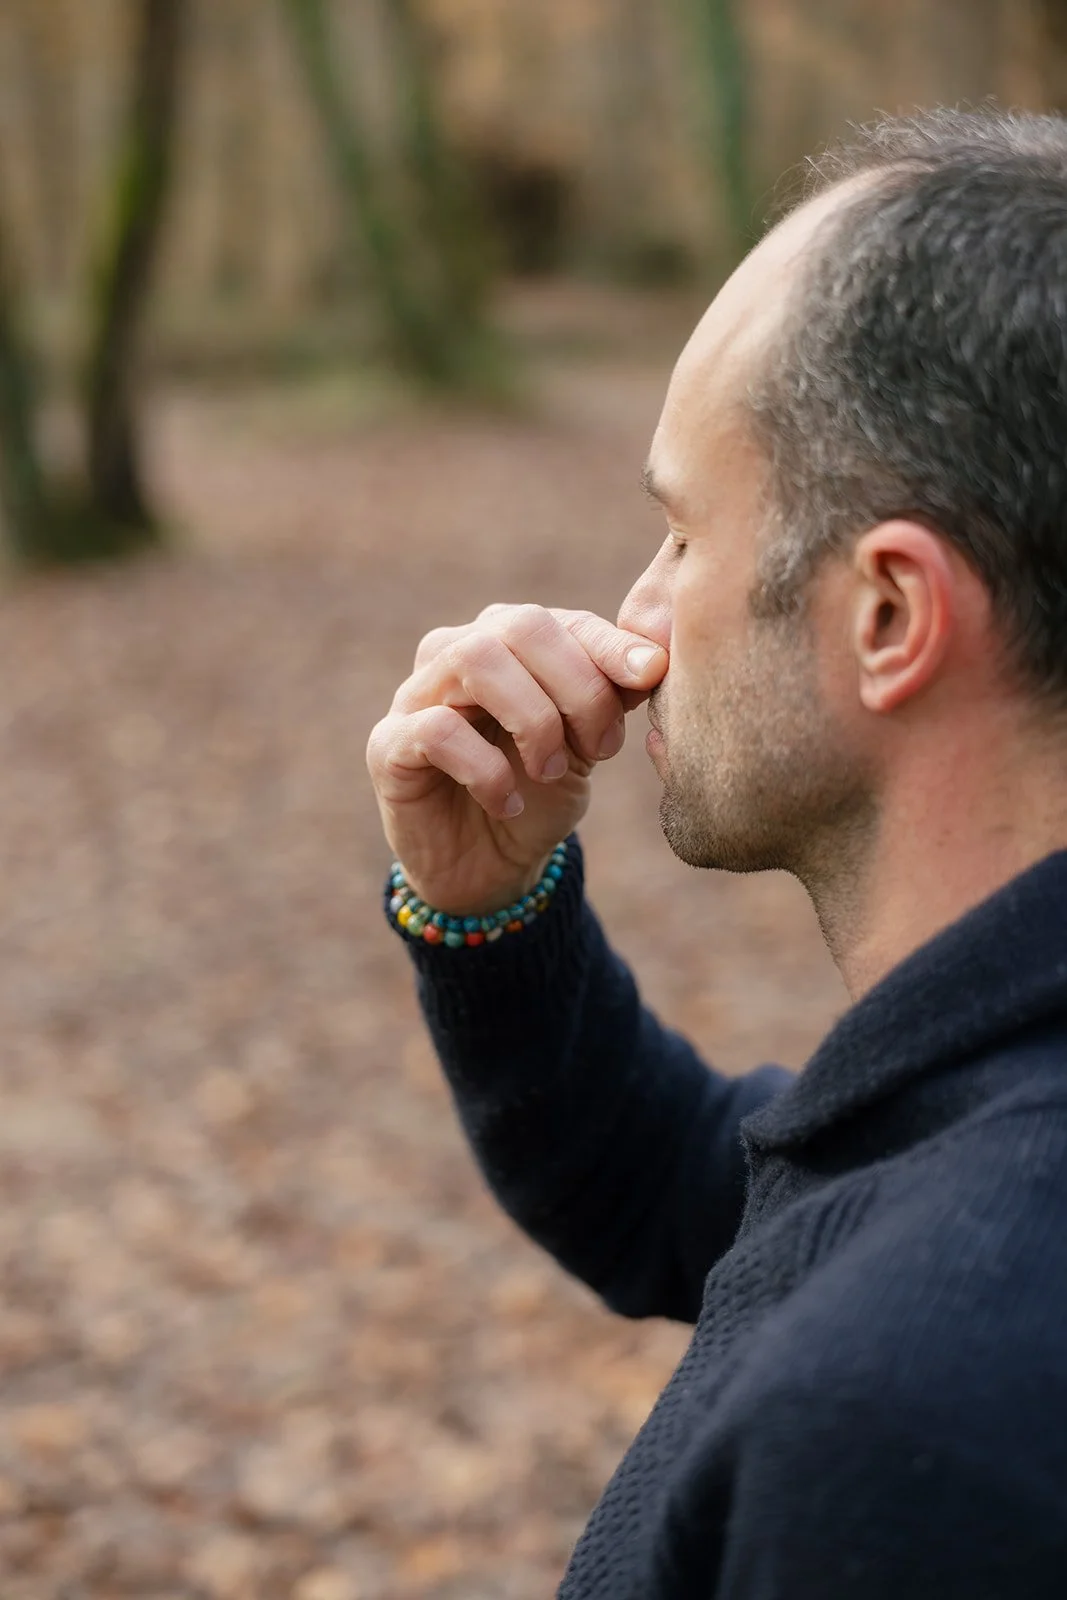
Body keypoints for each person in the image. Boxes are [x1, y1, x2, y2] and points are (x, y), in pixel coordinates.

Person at [366, 108, 1067, 1598]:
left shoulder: (902, 1430)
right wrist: (488, 908)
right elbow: (705, 1194)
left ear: (886, 614)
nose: (633, 612)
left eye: (683, 535)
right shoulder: (987, 1088)